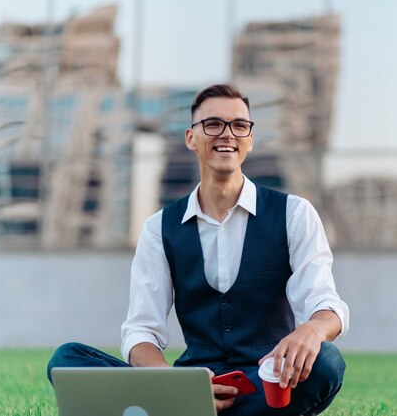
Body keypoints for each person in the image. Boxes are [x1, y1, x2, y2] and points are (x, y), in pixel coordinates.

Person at [47, 84, 349, 416]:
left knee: (327, 361)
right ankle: (186, 407)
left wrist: (311, 329)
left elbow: (326, 306)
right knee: (68, 358)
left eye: (239, 125)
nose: (227, 134)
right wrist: (174, 386)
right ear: (191, 138)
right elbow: (141, 331)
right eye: (213, 124)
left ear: (250, 139)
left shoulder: (294, 214)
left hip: (264, 381)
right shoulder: (159, 227)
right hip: (192, 380)